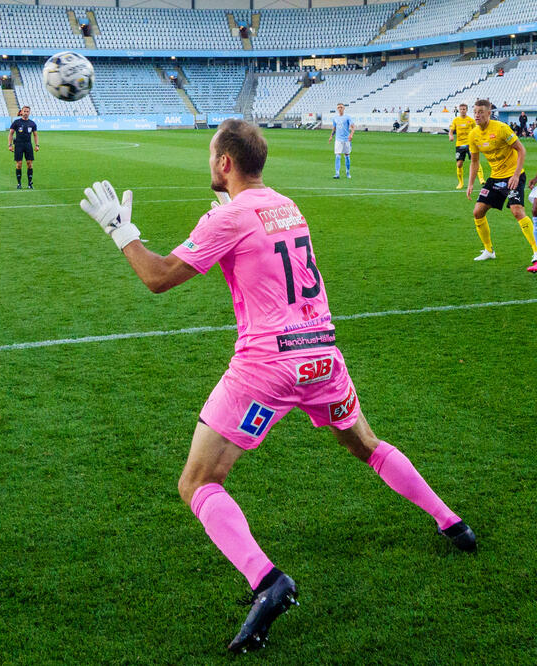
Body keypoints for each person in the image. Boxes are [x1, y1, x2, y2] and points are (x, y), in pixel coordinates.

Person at [79, 119, 476, 653]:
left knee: (198, 483)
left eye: (210, 155)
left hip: (268, 367)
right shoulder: (286, 204)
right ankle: (453, 524)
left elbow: (158, 276)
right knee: (366, 446)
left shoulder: (229, 216)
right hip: (323, 357)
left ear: (224, 163)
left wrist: (120, 231)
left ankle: (269, 582)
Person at [465, 98, 536, 268]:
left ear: (489, 113)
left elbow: (521, 150)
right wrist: (470, 184)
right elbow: (474, 161)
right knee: (478, 212)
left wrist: (516, 175)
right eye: (475, 112)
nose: (477, 115)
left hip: (513, 175)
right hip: (495, 177)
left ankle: (536, 250)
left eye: (481, 112)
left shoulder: (501, 128)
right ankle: (489, 251)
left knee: (517, 211)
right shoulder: (473, 134)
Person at [449, 103, 485, 189]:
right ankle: (460, 183)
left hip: (470, 144)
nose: (462, 111)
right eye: (461, 109)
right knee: (459, 164)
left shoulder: (471, 120)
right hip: (459, 144)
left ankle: (481, 179)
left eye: (464, 109)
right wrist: (450, 135)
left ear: (466, 110)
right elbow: (451, 130)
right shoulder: (456, 120)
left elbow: (476, 130)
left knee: (475, 160)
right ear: (459, 110)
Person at [8, 105, 39, 189]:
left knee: (29, 164)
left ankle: (30, 184)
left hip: (28, 145)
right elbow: (11, 134)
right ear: (21, 112)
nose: (26, 113)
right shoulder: (16, 122)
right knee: (19, 164)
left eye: (27, 111)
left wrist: (37, 145)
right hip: (18, 145)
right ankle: (19, 184)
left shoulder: (32, 123)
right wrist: (10, 145)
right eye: (24, 111)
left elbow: (35, 135)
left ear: (29, 113)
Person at [328, 103, 353, 179]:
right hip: (338, 139)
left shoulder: (347, 117)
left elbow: (352, 127)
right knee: (337, 155)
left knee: (347, 156)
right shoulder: (335, 118)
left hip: (346, 140)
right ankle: (337, 173)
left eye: (341, 107)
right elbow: (334, 128)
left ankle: (347, 172)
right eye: (338, 107)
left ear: (344, 108)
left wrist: (351, 134)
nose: (340, 109)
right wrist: (331, 136)